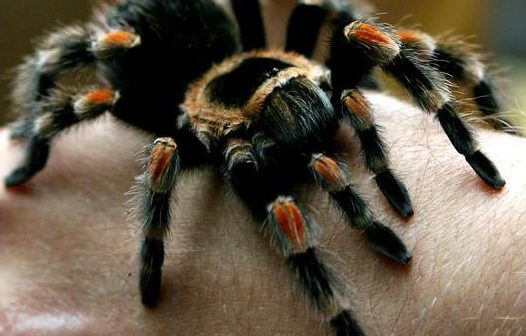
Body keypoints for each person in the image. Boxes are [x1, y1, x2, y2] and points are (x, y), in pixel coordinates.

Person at [0, 92, 524, 335]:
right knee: (151, 138)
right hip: (218, 115)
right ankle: (337, 314)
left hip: (276, 73)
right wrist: (152, 251)